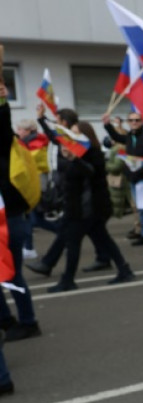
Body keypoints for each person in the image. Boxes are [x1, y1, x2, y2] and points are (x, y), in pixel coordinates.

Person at [35, 118, 135, 292]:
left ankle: (67, 280)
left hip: (85, 208)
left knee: (73, 242)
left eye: (76, 133)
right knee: (103, 239)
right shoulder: (76, 150)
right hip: (82, 206)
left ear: (86, 135)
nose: (73, 136)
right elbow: (55, 137)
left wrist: (74, 159)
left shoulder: (92, 153)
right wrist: (41, 120)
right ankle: (124, 270)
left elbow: (89, 172)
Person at [0, 84, 41, 341]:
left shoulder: (5, 150)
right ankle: (5, 320)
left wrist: (2, 101)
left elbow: (2, 126)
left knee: (12, 273)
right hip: (12, 219)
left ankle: (28, 321)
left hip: (11, 220)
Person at [103, 109, 143, 246]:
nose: (134, 122)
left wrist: (139, 171)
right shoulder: (129, 136)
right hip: (132, 178)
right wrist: (107, 124)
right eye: (131, 120)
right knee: (138, 207)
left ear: (142, 122)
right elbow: (115, 136)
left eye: (137, 120)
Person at [15, 118, 49, 260]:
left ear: (28, 131)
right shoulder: (28, 142)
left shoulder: (36, 143)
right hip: (33, 181)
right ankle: (28, 247)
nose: (18, 132)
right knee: (33, 218)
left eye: (21, 130)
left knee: (33, 219)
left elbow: (28, 162)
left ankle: (29, 248)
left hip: (37, 182)